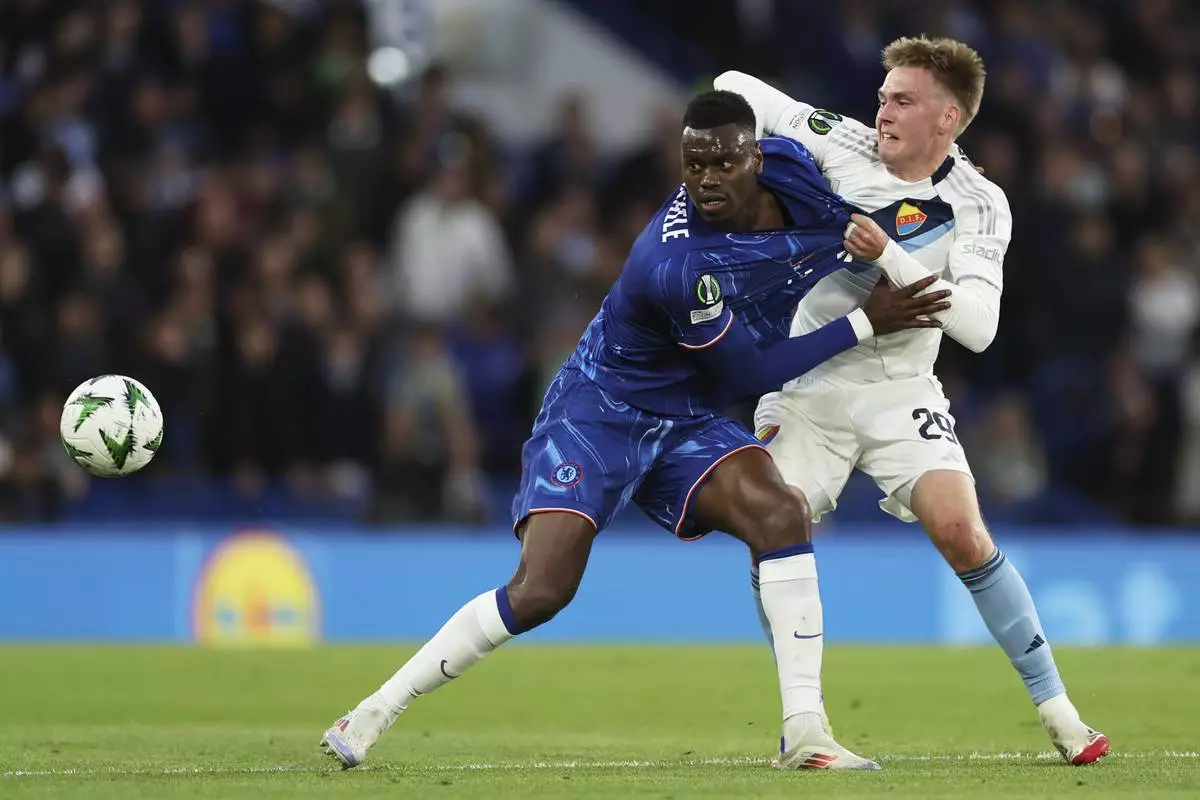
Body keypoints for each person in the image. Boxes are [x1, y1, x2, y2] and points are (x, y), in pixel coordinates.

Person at [319, 91, 949, 771]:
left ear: (757, 158)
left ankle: (806, 733)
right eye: (693, 164)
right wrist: (866, 321)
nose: (707, 178)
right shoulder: (676, 264)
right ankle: (374, 710)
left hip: (684, 417)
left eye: (723, 162)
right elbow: (749, 373)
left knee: (779, 512)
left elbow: (872, 194)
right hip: (600, 412)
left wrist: (948, 196)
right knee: (541, 591)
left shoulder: (798, 170)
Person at [715, 35, 1109, 766]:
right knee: (776, 521)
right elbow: (736, 80)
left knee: (962, 531)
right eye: (883, 96)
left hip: (901, 390)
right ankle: (804, 726)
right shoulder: (841, 142)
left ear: (948, 118)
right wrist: (735, 162)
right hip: (809, 387)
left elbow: (980, 328)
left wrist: (887, 254)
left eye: (903, 100)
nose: (883, 112)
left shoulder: (979, 202)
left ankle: (1062, 716)